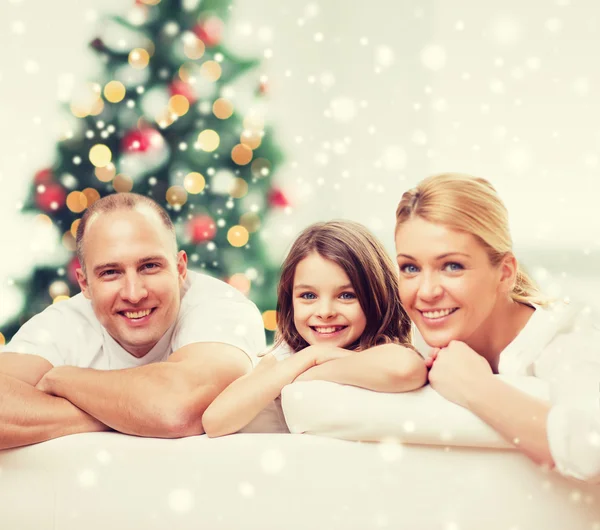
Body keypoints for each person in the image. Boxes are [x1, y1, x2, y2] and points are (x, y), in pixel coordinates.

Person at [0, 192, 265, 450]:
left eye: (149, 266)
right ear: (85, 284)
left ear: (180, 269)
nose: (134, 293)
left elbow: (177, 411)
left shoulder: (222, 308)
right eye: (111, 272)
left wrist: (62, 379)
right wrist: (128, 414)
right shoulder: (63, 323)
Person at [394, 172, 600, 483]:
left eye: (452, 266)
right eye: (410, 268)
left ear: (504, 273)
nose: (426, 291)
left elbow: (591, 446)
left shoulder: (569, 341)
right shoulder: (408, 340)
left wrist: (475, 388)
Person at [202, 220, 427, 437]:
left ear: (377, 295)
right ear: (291, 300)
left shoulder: (384, 349)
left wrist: (316, 363)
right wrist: (311, 356)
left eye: (346, 295)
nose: (325, 311)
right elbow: (214, 421)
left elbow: (407, 369)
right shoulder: (283, 360)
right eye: (308, 296)